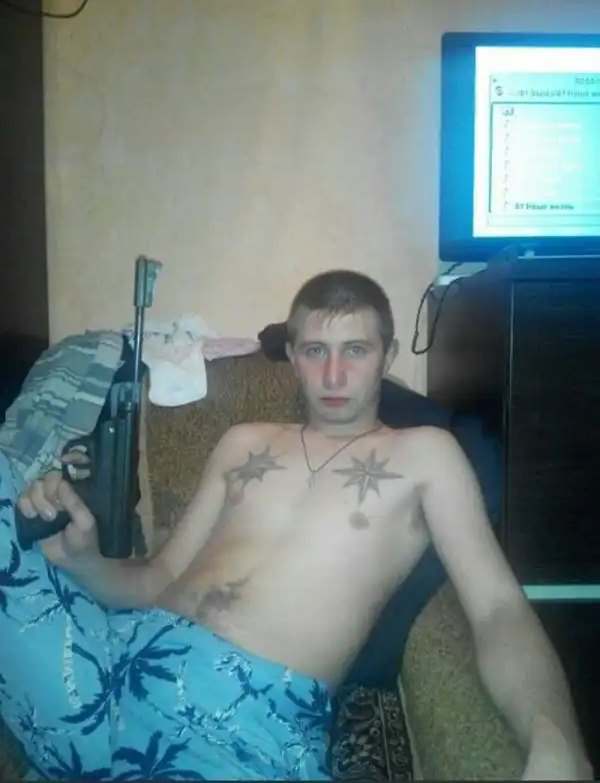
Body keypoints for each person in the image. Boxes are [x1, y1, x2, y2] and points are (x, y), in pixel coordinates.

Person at [0, 269, 592, 780]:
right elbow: (158, 579)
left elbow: (497, 609)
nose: (333, 376)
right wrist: (84, 563)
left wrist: (558, 743)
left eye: (355, 350)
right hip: (103, 662)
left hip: (239, 722)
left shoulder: (426, 455)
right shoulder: (242, 442)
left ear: (387, 356)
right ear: (291, 356)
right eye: (315, 350)